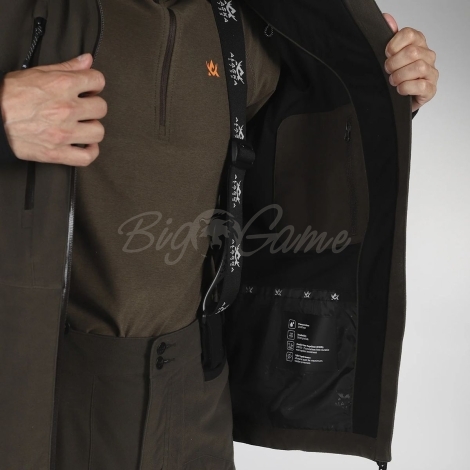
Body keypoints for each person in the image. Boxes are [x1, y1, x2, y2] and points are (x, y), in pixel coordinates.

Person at [0, 1, 438, 469]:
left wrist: (383, 93)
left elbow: (295, 153)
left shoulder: (242, 23)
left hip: (195, 396)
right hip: (39, 388)